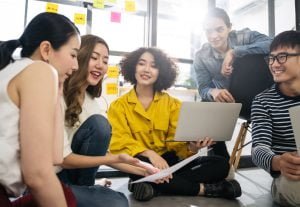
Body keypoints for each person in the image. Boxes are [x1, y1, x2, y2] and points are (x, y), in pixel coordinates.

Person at [108, 47, 242, 202]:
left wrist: (193, 147)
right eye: (141, 64)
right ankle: (205, 189)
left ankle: (152, 186)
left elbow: (177, 147)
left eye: (153, 66)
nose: (146, 69)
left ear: (161, 72)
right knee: (139, 168)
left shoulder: (173, 104)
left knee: (221, 165)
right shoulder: (118, 106)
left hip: (170, 162)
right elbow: (119, 142)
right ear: (133, 67)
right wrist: (150, 154)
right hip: (141, 163)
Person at [61, 34, 160, 207]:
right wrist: (112, 160)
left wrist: (145, 171)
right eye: (94, 58)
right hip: (52, 178)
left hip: (74, 179)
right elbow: (61, 159)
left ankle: (85, 190)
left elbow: (102, 155)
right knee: (118, 202)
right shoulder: (58, 94)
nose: (100, 65)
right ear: (80, 57)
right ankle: (82, 193)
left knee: (118, 201)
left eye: (105, 61)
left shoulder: (92, 103)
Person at [0, 12, 80, 207]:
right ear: (46, 49)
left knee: (64, 194)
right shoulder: (38, 71)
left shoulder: (19, 69)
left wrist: (59, 91)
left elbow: (55, 157)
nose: (76, 65)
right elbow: (37, 176)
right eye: (73, 55)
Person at [192, 7, 272, 160]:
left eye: (219, 29)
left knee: (249, 58)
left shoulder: (244, 37)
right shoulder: (201, 56)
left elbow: (273, 44)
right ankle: (221, 163)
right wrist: (213, 92)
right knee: (207, 103)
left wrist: (234, 52)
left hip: (260, 98)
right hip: (233, 103)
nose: (214, 36)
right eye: (208, 31)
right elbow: (203, 88)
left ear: (229, 28)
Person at [251, 30, 300, 206]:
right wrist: (278, 162)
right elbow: (258, 149)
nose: (274, 64)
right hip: (290, 178)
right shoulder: (263, 101)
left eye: (282, 57)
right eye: (271, 58)